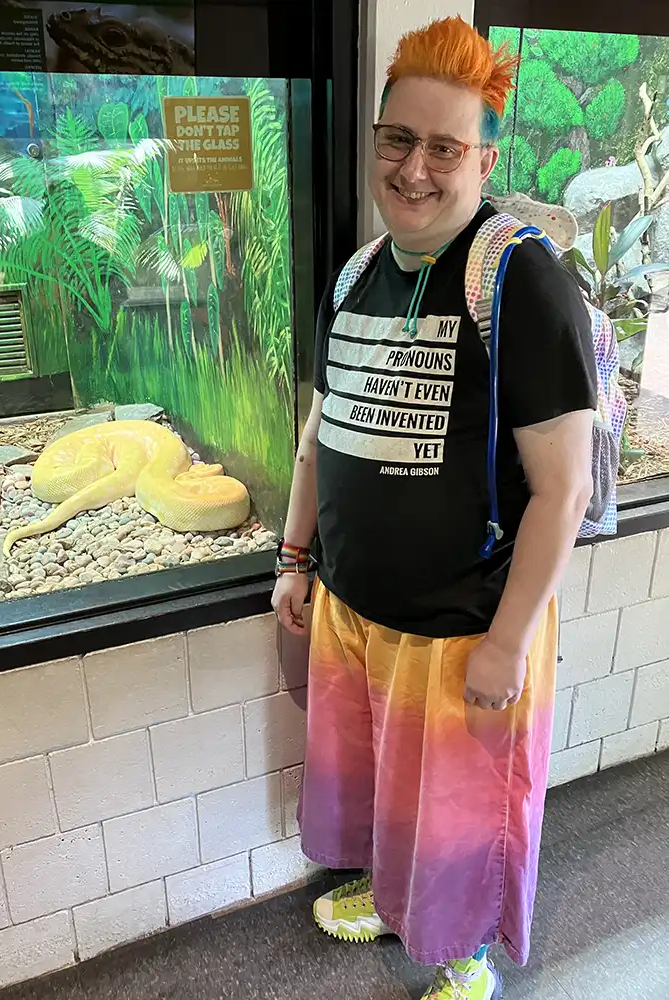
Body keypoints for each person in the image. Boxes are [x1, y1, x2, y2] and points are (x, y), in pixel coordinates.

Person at [271, 16, 598, 1000]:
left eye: (444, 147)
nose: (415, 169)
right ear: (375, 141)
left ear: (482, 156)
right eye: (398, 140)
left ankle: (466, 959)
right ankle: (392, 891)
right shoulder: (356, 275)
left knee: (459, 812)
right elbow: (320, 432)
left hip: (465, 634)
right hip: (356, 613)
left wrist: (507, 641)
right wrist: (295, 556)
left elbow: (563, 486)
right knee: (383, 786)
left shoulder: (519, 276)